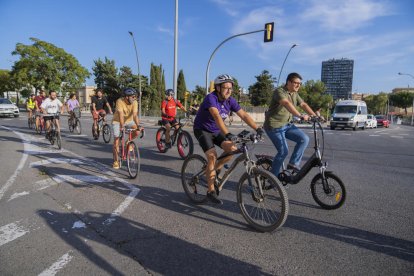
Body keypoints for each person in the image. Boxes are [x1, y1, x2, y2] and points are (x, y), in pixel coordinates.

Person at [193, 74, 263, 204]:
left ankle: (214, 169)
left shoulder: (230, 100)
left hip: (216, 130)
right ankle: (210, 191)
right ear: (218, 88)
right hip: (202, 130)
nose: (229, 91)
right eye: (226, 88)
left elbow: (244, 115)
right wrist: (228, 134)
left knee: (232, 149)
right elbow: (216, 116)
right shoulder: (211, 98)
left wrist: (257, 128)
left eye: (231, 88)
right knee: (212, 156)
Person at [263, 72, 316, 177]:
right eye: (296, 83)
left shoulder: (295, 94)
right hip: (274, 126)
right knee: (283, 152)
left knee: (304, 139)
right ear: (288, 82)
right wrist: (300, 115)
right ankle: (274, 179)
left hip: (287, 125)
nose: (298, 85)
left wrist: (314, 116)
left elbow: (303, 104)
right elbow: (286, 103)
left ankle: (293, 164)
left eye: (300, 84)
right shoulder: (279, 91)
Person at [112, 88, 142, 169]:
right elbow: (121, 115)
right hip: (117, 121)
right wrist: (122, 127)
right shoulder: (120, 101)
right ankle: (116, 161)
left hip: (129, 121)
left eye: (135, 96)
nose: (134, 98)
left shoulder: (135, 102)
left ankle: (128, 142)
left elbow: (135, 115)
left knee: (137, 131)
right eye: (132, 96)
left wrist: (138, 125)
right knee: (116, 140)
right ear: (126, 97)